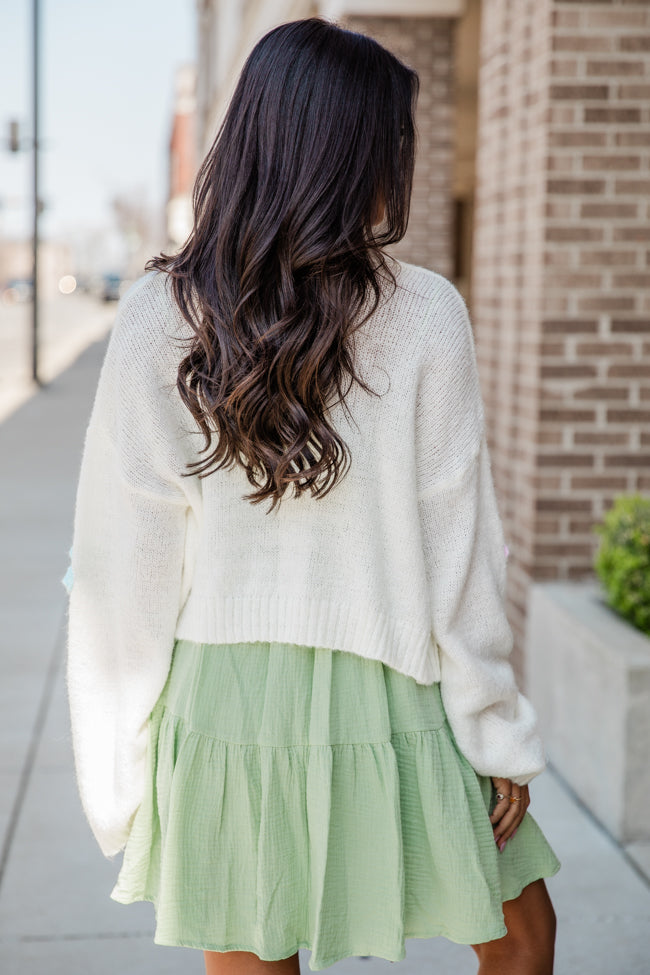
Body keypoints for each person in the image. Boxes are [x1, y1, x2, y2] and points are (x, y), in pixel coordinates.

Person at [63, 17, 560, 975]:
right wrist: (494, 728)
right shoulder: (423, 314)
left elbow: (125, 562)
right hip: (395, 680)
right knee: (523, 934)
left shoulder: (159, 316)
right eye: (392, 145)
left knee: (260, 954)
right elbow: (461, 545)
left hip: (227, 699)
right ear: (350, 153)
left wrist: (116, 774)